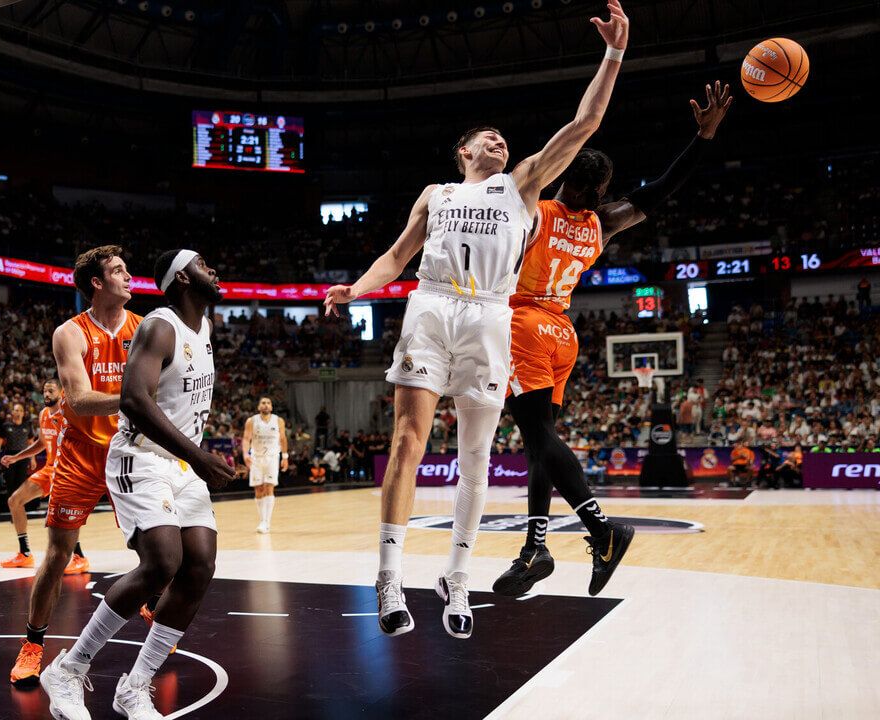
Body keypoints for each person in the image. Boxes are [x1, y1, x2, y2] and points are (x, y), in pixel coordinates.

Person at [324, 1, 630, 639]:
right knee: (408, 442)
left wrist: (613, 54)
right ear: (463, 150)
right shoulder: (436, 194)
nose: (501, 141)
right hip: (432, 305)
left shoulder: (522, 185)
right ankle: (389, 576)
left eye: (504, 138)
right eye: (487, 136)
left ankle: (456, 579)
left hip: (491, 314)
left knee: (477, 458)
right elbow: (395, 256)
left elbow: (585, 122)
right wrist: (355, 288)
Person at [493, 82, 732, 598]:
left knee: (538, 441)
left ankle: (602, 532)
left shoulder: (536, 212)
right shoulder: (602, 224)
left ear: (564, 181)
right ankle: (535, 548)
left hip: (524, 325)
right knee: (543, 445)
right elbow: (663, 189)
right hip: (562, 334)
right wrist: (703, 138)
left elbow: (529, 182)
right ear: (600, 193)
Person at [39, 248, 232, 720]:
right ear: (183, 279)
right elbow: (133, 399)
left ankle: (135, 685)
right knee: (162, 561)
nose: (215, 270)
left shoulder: (204, 327)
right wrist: (199, 455)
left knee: (199, 566)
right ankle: (68, 669)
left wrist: (195, 457)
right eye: (204, 265)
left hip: (181, 465)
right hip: (140, 457)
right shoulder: (159, 325)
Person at [9, 245, 142, 687]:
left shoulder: (145, 328)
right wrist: (137, 399)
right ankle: (32, 645)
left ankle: (154, 604)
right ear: (97, 284)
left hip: (131, 453)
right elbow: (81, 402)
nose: (128, 276)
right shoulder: (70, 332)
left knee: (162, 551)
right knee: (58, 554)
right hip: (80, 458)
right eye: (119, 271)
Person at [0, 380, 70, 570]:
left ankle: (79, 556)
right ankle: (24, 553)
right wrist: (16, 457)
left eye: (50, 391)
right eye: (44, 391)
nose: (46, 394)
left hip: (66, 469)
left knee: (59, 515)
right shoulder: (43, 414)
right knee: (14, 501)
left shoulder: (68, 413)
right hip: (49, 469)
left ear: (61, 392)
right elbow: (41, 442)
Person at [242, 396, 287, 534]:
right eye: (263, 403)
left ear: (271, 407)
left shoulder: (278, 420)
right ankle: (262, 520)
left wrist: (285, 457)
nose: (266, 405)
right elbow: (246, 438)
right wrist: (245, 454)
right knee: (258, 489)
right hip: (256, 457)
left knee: (269, 487)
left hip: (272, 457)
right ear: (258, 406)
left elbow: (283, 439)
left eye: (268, 403)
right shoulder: (251, 421)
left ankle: (266, 521)